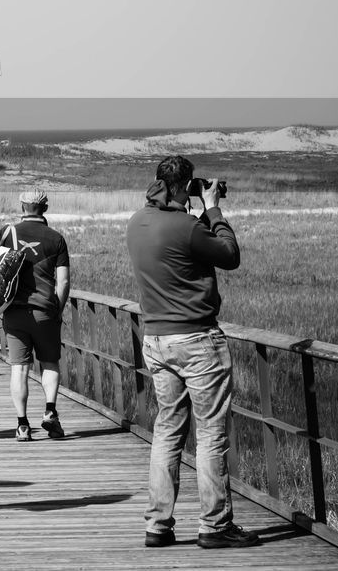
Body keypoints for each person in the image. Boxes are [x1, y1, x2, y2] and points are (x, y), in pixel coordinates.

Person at [126, 156, 258, 549]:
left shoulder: (137, 223)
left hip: (156, 340)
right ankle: (215, 526)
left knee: (167, 431)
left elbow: (182, 243)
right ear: (184, 187)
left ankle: (158, 525)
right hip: (197, 341)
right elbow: (230, 254)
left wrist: (194, 207)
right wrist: (213, 207)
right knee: (211, 435)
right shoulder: (187, 227)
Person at [0, 188, 71, 441]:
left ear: (22, 206)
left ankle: (22, 425)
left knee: (19, 368)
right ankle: (50, 411)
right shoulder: (56, 238)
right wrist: (57, 310)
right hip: (45, 311)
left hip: (14, 311)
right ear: (45, 208)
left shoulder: (7, 234)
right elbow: (64, 282)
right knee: (49, 362)